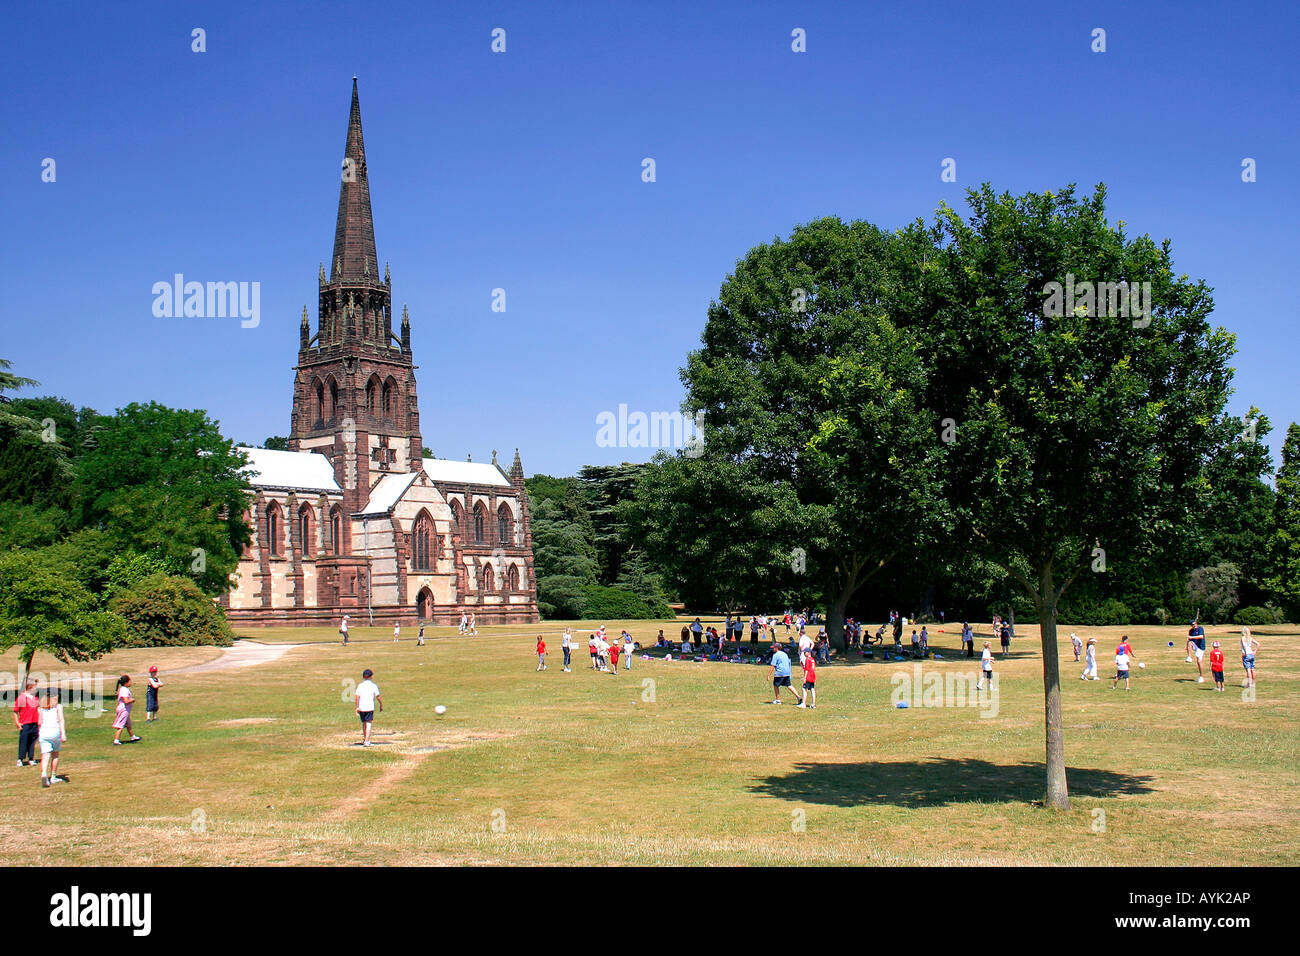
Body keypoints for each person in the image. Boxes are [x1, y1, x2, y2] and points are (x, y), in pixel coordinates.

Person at [37, 690, 67, 788]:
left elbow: (39, 722)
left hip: (44, 733)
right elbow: (61, 720)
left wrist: (39, 733)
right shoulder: (58, 707)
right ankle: (53, 776)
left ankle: (44, 773)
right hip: (55, 732)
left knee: (45, 756)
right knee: (55, 754)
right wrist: (63, 734)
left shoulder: (40, 708)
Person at [13, 678, 40, 767]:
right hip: (25, 723)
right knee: (24, 741)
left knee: (32, 741)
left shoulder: (35, 698)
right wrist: (17, 723)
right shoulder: (21, 698)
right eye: (35, 686)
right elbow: (15, 711)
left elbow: (38, 709)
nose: (36, 688)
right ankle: (20, 759)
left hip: (34, 723)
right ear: (30, 687)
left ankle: (31, 758)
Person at [355, 668, 382, 746]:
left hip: (362, 707)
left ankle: (365, 738)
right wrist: (381, 705)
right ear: (371, 676)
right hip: (369, 707)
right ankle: (367, 741)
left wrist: (357, 707)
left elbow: (357, 696)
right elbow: (378, 696)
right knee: (369, 723)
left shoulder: (360, 685)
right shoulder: (373, 685)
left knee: (364, 723)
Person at [112, 676, 140, 745]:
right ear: (125, 683)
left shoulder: (121, 689)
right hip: (123, 710)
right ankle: (116, 740)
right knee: (120, 725)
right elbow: (126, 701)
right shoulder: (124, 690)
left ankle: (133, 737)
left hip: (124, 710)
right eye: (129, 681)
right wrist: (132, 700)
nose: (131, 683)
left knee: (128, 724)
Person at [1186, 617, 1206, 683]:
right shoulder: (1190, 631)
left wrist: (1191, 637)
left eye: (1194, 624)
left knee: (1199, 662)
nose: (1194, 626)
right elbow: (1189, 640)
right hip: (1195, 645)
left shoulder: (1200, 628)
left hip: (1200, 647)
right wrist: (1187, 647)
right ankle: (1189, 657)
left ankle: (1201, 676)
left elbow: (1201, 636)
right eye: (1192, 625)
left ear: (1196, 623)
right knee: (1189, 642)